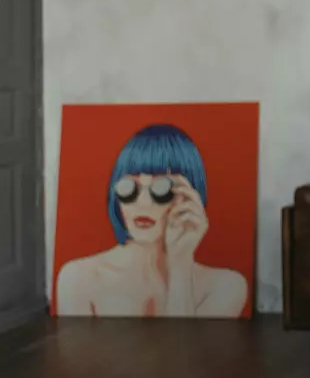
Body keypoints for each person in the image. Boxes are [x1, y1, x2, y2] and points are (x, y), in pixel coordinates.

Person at [56, 124, 249, 318]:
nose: (143, 203)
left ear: (191, 197)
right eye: (130, 187)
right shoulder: (78, 278)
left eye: (162, 189)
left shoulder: (225, 286)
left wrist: (181, 266)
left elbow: (185, 348)